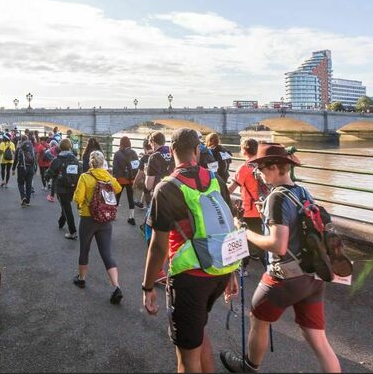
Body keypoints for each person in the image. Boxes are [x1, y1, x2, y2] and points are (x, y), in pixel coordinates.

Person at [220, 143, 340, 373]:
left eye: (261, 169)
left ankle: (249, 366)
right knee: (316, 337)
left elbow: (278, 245)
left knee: (258, 317)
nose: (259, 174)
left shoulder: (276, 198)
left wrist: (245, 231)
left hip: (285, 277)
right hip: (313, 275)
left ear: (274, 167)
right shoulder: (303, 192)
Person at [142, 128, 239, 374]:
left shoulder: (166, 188)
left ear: (172, 151)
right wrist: (233, 272)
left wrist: (148, 286)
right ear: (197, 150)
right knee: (198, 330)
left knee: (186, 357)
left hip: (189, 278)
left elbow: (159, 246)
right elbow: (227, 225)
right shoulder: (216, 180)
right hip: (220, 271)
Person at [72, 150, 124, 304]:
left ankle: (81, 279)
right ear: (102, 163)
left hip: (88, 218)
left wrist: (82, 202)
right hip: (105, 220)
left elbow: (78, 198)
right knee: (106, 253)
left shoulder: (85, 177)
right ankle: (116, 287)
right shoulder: (108, 176)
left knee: (85, 249)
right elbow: (118, 188)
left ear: (90, 162)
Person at [226, 138, 266, 273]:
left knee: (243, 238)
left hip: (249, 209)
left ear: (244, 150)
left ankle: (243, 267)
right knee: (259, 235)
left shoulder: (244, 168)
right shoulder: (263, 164)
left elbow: (231, 189)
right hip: (264, 208)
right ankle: (265, 263)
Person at [46, 138, 81, 239]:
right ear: (70, 147)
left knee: (67, 208)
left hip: (61, 187)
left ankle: (73, 231)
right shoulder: (74, 159)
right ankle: (61, 222)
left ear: (60, 147)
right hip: (73, 186)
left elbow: (49, 173)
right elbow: (79, 172)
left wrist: (48, 177)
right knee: (65, 205)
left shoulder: (57, 159)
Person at [112, 135, 140, 225]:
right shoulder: (134, 153)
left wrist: (114, 178)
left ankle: (114, 215)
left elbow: (115, 169)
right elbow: (136, 166)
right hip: (130, 179)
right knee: (130, 198)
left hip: (120, 179)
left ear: (121, 144)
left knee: (117, 197)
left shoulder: (117, 154)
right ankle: (131, 217)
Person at [12, 134, 37, 206]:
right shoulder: (32, 147)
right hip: (31, 168)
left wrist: (13, 169)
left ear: (21, 140)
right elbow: (34, 158)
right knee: (29, 185)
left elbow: (16, 160)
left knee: (20, 183)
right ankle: (28, 201)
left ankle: (23, 197)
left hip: (22, 167)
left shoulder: (19, 148)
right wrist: (35, 168)